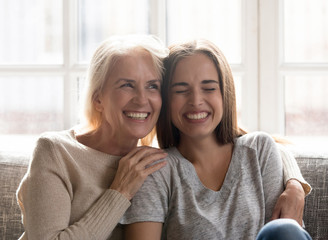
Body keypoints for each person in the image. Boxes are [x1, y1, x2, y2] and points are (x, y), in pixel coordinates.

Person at [121, 39, 312, 239]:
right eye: (181, 90)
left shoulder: (259, 150)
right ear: (166, 99)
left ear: (224, 93)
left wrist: (295, 183)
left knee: (283, 230)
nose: (195, 101)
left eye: (209, 88)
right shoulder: (155, 171)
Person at [16, 35, 169, 239]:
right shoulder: (55, 151)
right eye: (127, 85)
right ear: (98, 99)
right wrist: (120, 192)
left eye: (152, 86)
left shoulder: (154, 164)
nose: (142, 99)